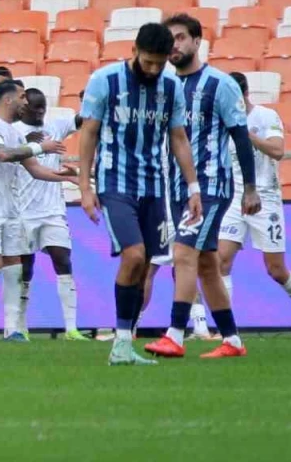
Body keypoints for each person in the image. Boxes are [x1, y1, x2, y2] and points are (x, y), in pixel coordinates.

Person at [78, 23, 202, 365]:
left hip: (154, 186)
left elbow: (178, 137)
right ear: (134, 51)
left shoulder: (171, 87)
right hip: (114, 182)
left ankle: (123, 343)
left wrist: (193, 188)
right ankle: (120, 342)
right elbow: (88, 133)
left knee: (145, 263)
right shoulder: (106, 80)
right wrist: (84, 186)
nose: (152, 69)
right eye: (147, 62)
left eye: (158, 64)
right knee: (133, 256)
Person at [146, 13, 259, 360]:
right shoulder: (165, 85)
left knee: (183, 253)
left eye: (181, 38)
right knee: (207, 264)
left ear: (197, 41)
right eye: (170, 39)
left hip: (211, 185)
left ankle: (175, 334)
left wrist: (250, 188)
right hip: (177, 188)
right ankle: (233, 341)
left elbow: (240, 135)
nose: (175, 45)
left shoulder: (219, 84)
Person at [0, 80, 75, 342]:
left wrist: (66, 177)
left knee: (14, 267)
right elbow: (2, 154)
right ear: (9, 99)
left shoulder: (14, 133)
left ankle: (12, 329)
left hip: (11, 209)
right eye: (23, 97)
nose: (27, 102)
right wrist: (39, 146)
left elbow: (34, 169)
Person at [213, 71, 291, 337]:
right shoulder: (220, 122)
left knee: (276, 269)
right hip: (233, 199)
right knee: (221, 262)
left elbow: (278, 151)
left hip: (266, 198)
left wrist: (246, 135)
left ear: (244, 94)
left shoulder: (265, 116)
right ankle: (229, 330)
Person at [12, 87, 87, 341]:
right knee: (25, 268)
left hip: (52, 210)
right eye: (36, 108)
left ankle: (71, 328)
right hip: (23, 211)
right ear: (24, 108)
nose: (41, 112)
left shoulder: (55, 126)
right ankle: (20, 326)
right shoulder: (14, 133)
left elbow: (83, 119)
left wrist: (88, 100)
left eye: (43, 107)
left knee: (63, 260)